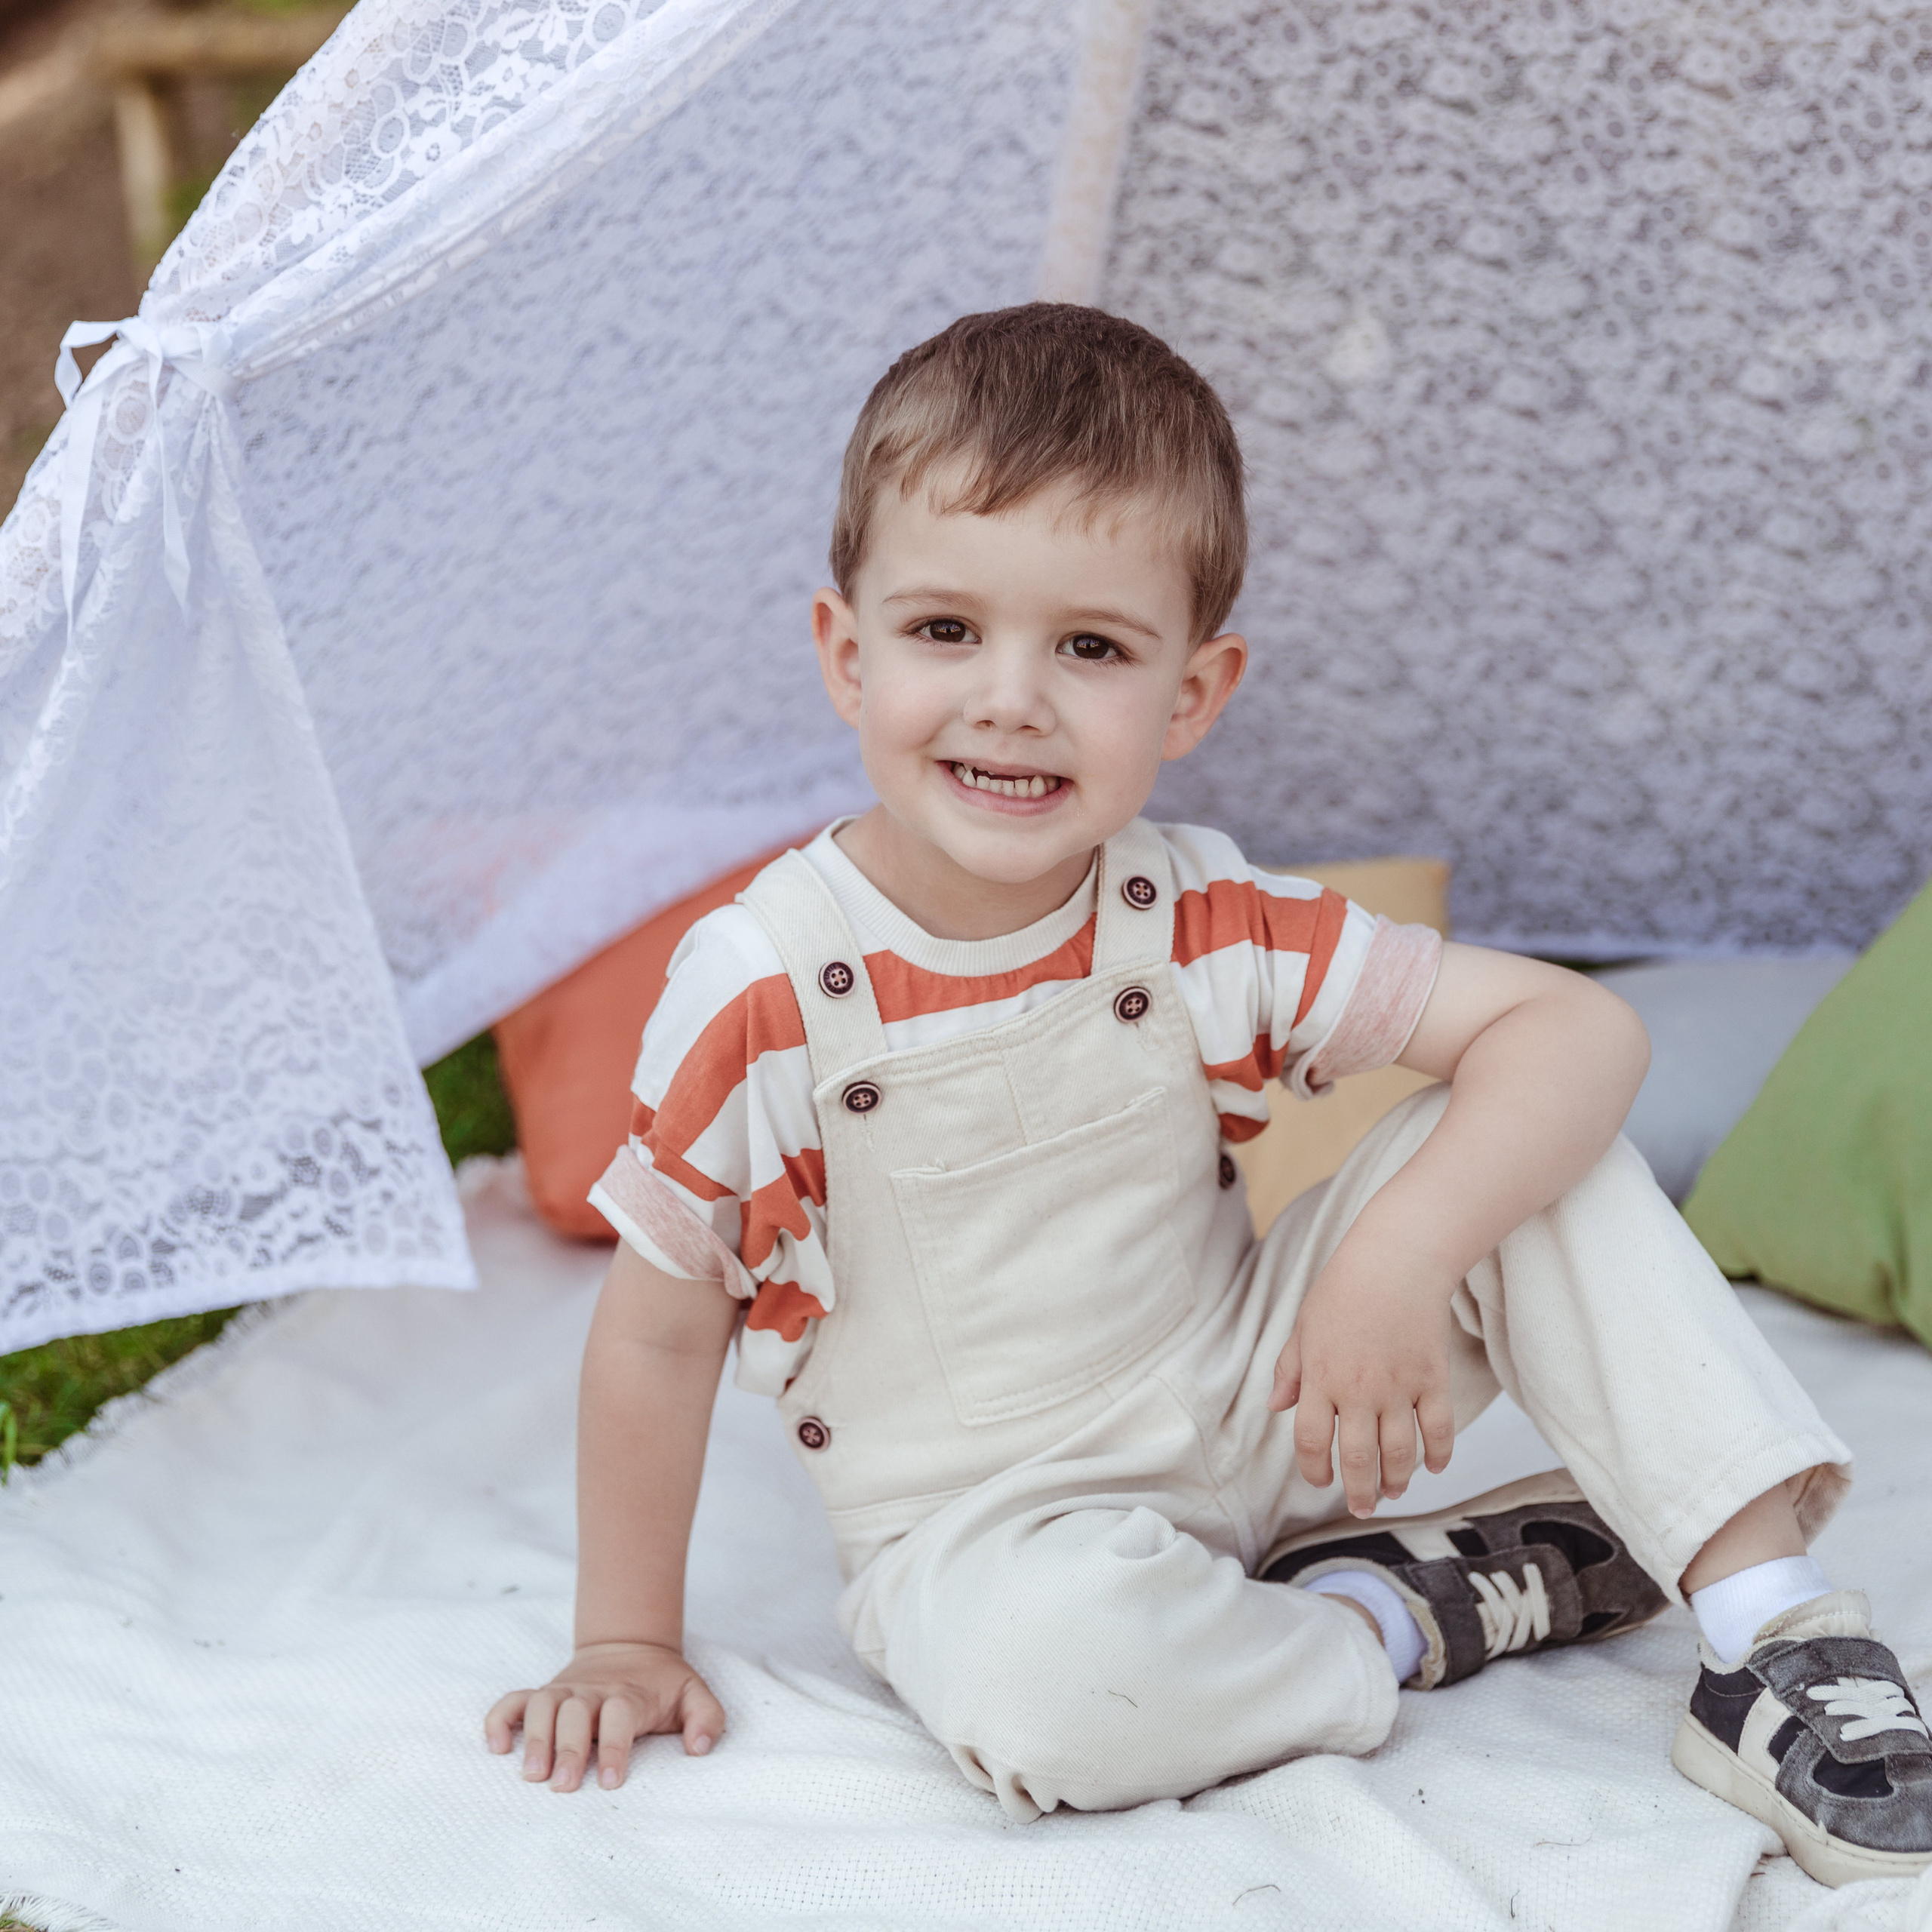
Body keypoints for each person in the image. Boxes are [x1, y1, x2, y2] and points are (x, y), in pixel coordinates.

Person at [485, 304, 1931, 1888]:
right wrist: (621, 1635)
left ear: (1190, 691)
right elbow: (657, 1323)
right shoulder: (763, 981)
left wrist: (1383, 1263)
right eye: (945, 630)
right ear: (848, 650)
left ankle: (1766, 1641)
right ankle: (1388, 1610)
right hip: (978, 1520)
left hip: (1260, 1385)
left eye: (1090, 646)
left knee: (1543, 1148)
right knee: (1051, 1698)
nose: (1010, 698)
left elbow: (1572, 1028)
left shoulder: (1192, 915)